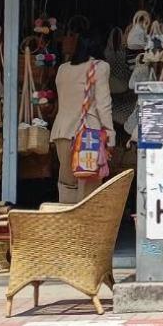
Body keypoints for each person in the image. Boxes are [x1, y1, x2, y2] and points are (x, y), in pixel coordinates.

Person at [51, 34, 114, 204]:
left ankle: (67, 225)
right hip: (88, 133)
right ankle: (86, 227)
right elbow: (103, 104)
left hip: (62, 132)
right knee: (89, 186)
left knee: (66, 184)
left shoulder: (63, 69)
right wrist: (110, 135)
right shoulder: (100, 67)